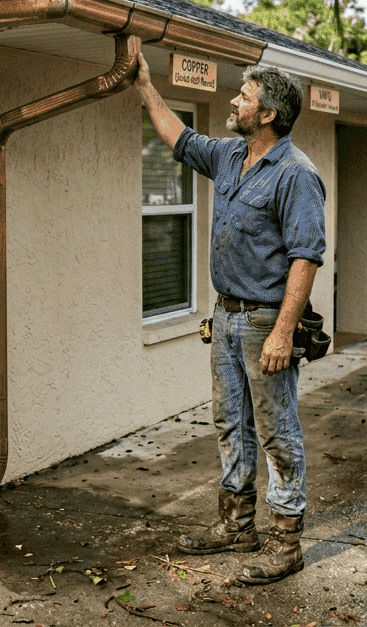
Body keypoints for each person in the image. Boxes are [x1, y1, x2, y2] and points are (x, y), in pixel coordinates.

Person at [134, 53, 326, 585]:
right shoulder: (228, 155)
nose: (234, 101)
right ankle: (236, 525)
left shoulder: (296, 175)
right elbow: (178, 138)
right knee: (230, 424)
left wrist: (284, 331)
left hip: (266, 322)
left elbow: (306, 257)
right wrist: (147, 87)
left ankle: (286, 542)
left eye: (244, 95)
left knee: (276, 430)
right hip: (225, 318)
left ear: (267, 114)